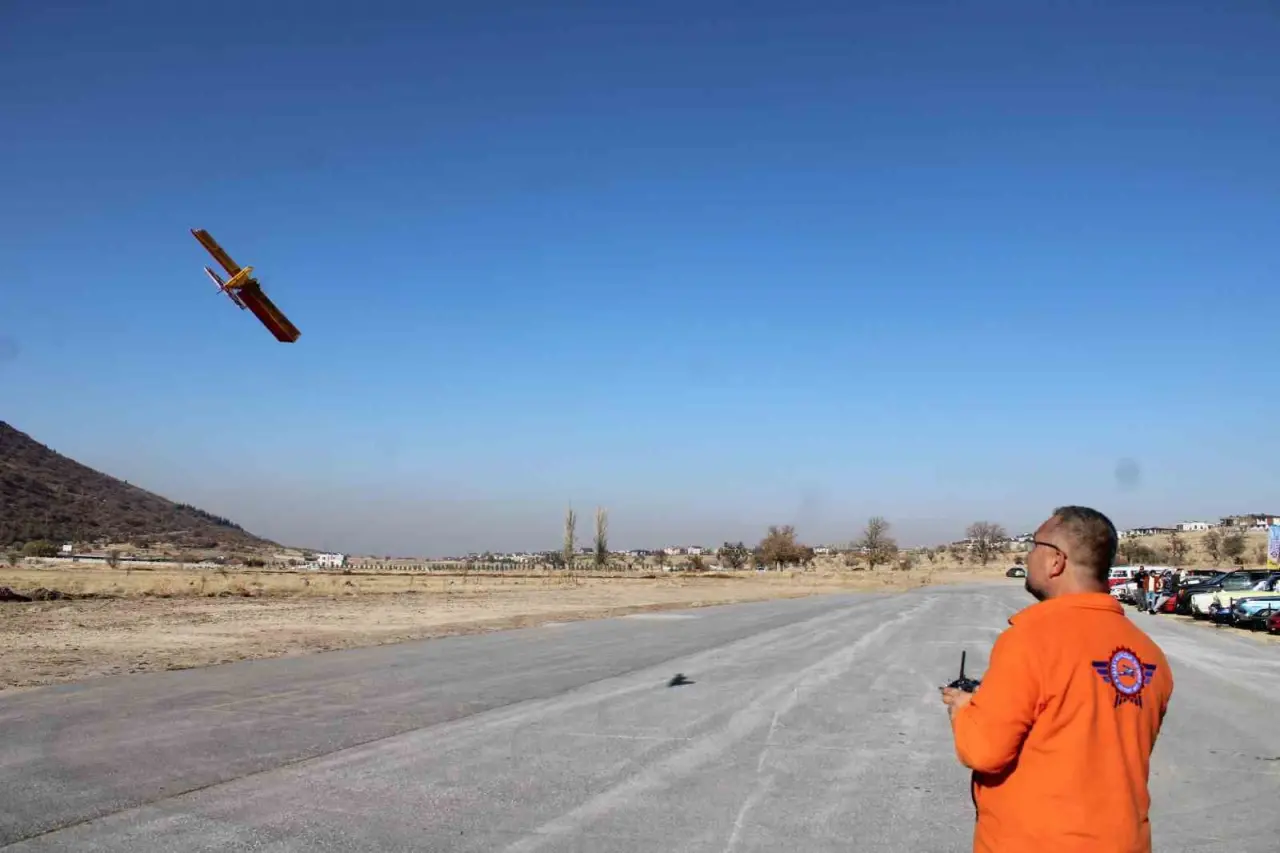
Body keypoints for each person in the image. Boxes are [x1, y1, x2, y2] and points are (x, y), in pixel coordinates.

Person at [940, 506, 1175, 853]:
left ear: (1056, 561)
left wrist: (963, 709)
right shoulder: (1147, 654)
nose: (1028, 555)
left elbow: (983, 750)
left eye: (1034, 545)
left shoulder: (1031, 639)